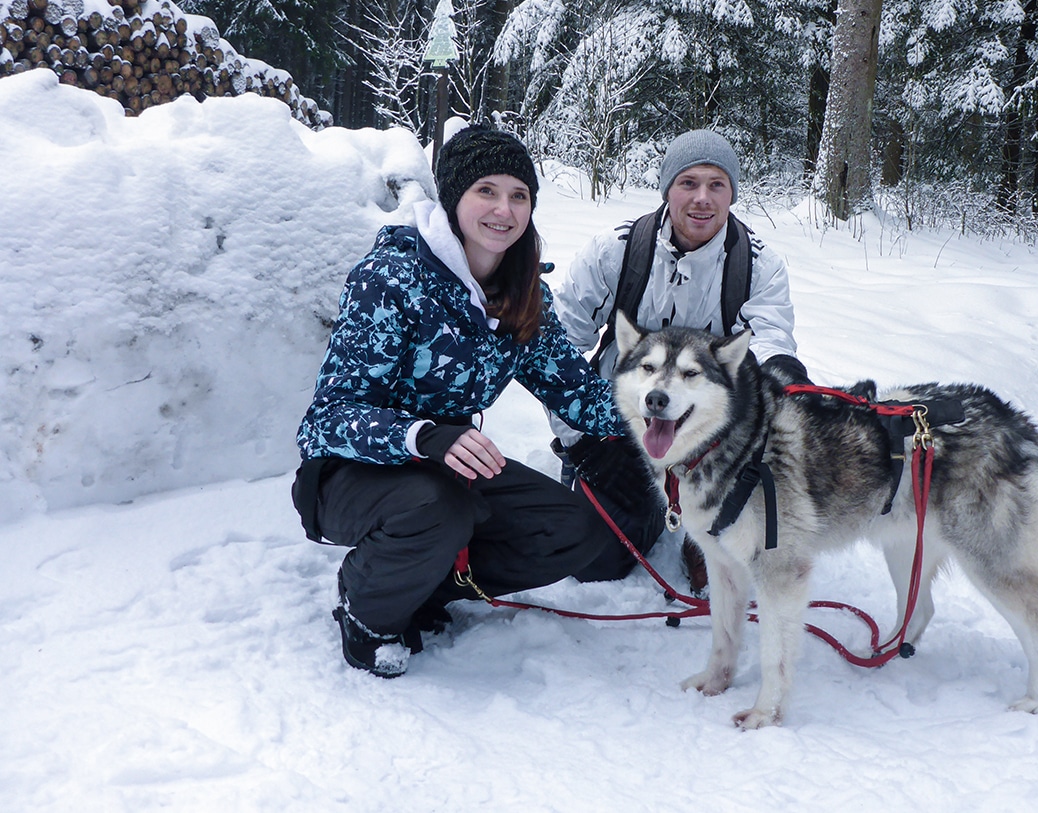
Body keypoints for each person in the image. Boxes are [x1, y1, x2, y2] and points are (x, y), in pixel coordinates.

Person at [291, 126, 638, 679]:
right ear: (454, 198)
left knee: (574, 529)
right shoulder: (392, 279)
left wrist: (669, 426)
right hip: (352, 471)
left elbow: (578, 393)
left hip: (448, 466)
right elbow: (325, 420)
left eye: (519, 195)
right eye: (487, 190)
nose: (504, 209)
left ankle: (426, 587)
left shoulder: (522, 293)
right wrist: (424, 434)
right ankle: (368, 613)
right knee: (437, 509)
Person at [552, 129, 809, 589]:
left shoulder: (759, 265)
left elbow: (769, 338)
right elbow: (559, 345)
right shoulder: (617, 251)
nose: (702, 199)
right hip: (623, 421)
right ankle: (646, 500)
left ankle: (701, 526)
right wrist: (579, 437)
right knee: (595, 561)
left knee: (745, 531)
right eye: (688, 183)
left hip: (714, 434)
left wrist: (784, 377)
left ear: (732, 193)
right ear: (668, 189)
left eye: (717, 184)